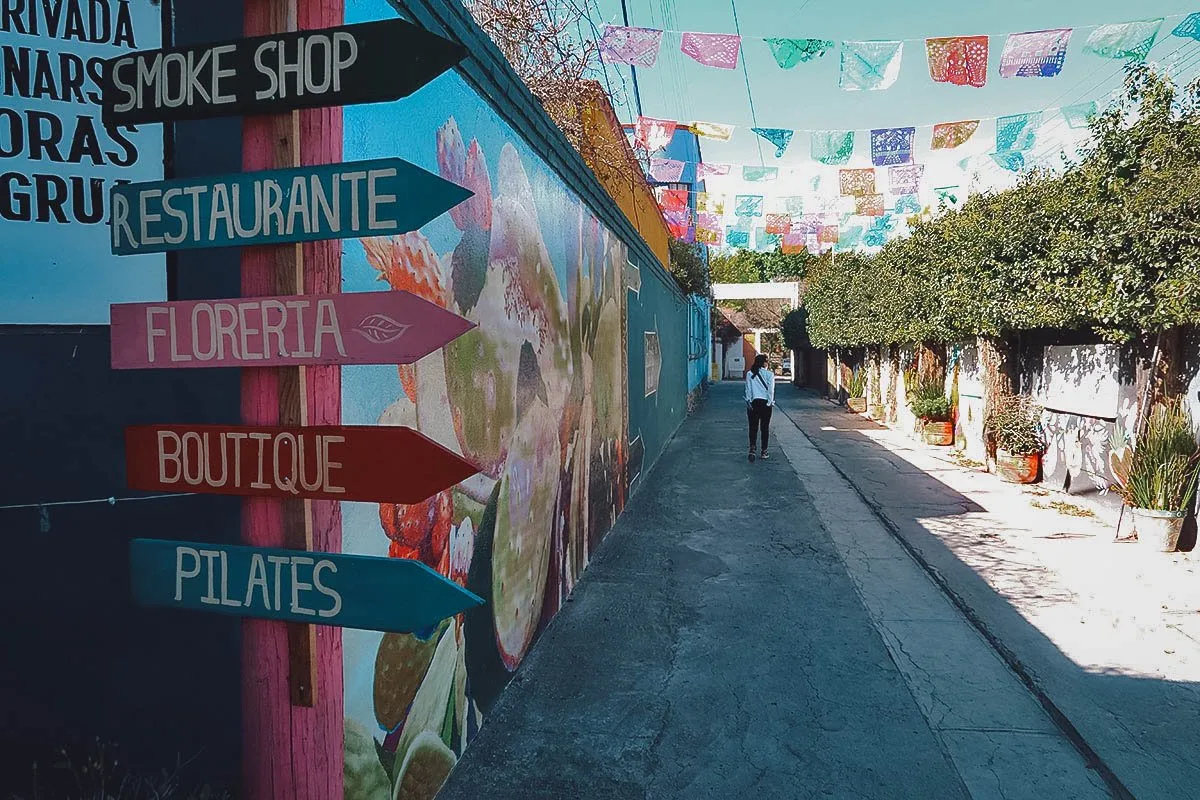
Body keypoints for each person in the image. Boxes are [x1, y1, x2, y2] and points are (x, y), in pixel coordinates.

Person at [744, 353, 775, 462]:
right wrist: (769, 403)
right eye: (766, 361)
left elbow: (748, 389)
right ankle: (764, 451)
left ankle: (752, 449)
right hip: (765, 404)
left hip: (753, 403)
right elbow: (771, 390)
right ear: (764, 363)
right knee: (764, 428)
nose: (767, 363)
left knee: (753, 427)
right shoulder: (770, 374)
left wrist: (748, 401)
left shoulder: (749, 374)